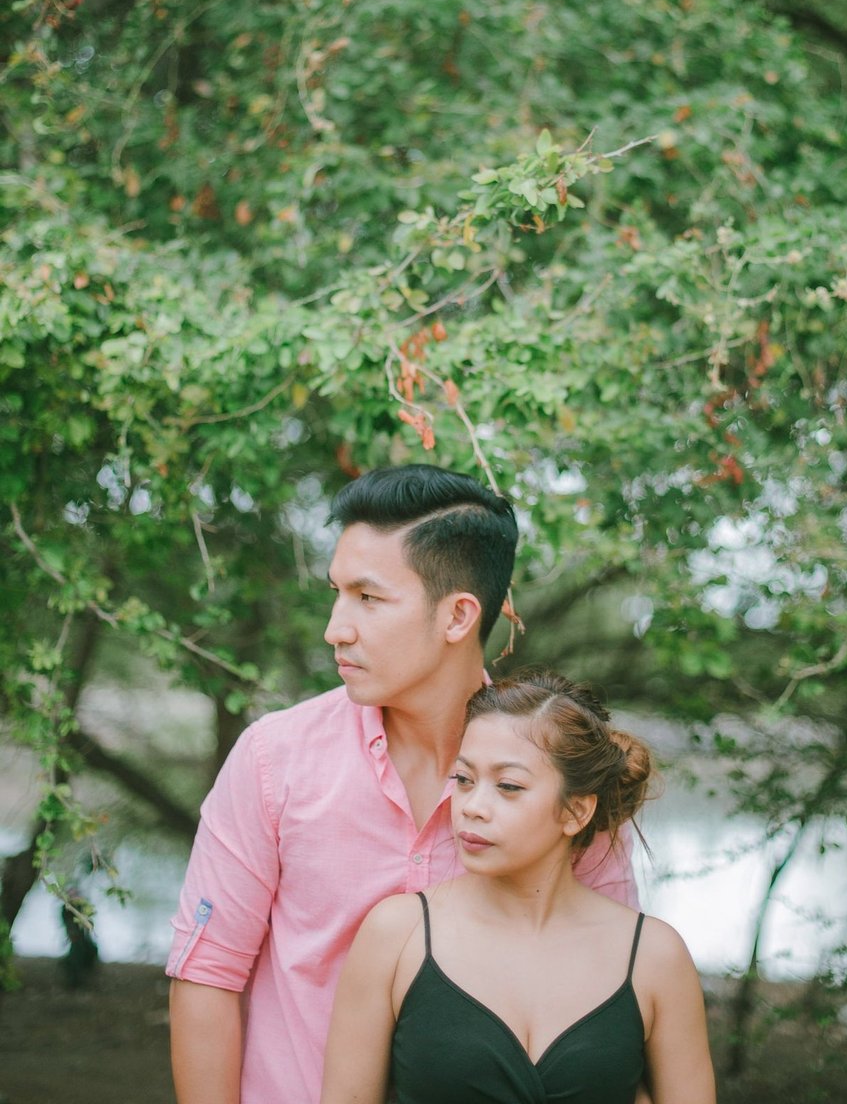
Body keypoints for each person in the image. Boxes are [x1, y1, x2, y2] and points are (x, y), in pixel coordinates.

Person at [166, 466, 639, 1104]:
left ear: (458, 616)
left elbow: (611, 989)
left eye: (368, 597)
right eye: (337, 593)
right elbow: (207, 974)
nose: (336, 628)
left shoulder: (563, 779)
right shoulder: (273, 759)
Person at [320, 671, 716, 1104]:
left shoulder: (656, 957)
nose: (472, 807)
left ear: (576, 811)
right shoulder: (396, 935)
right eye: (463, 779)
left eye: (508, 786)